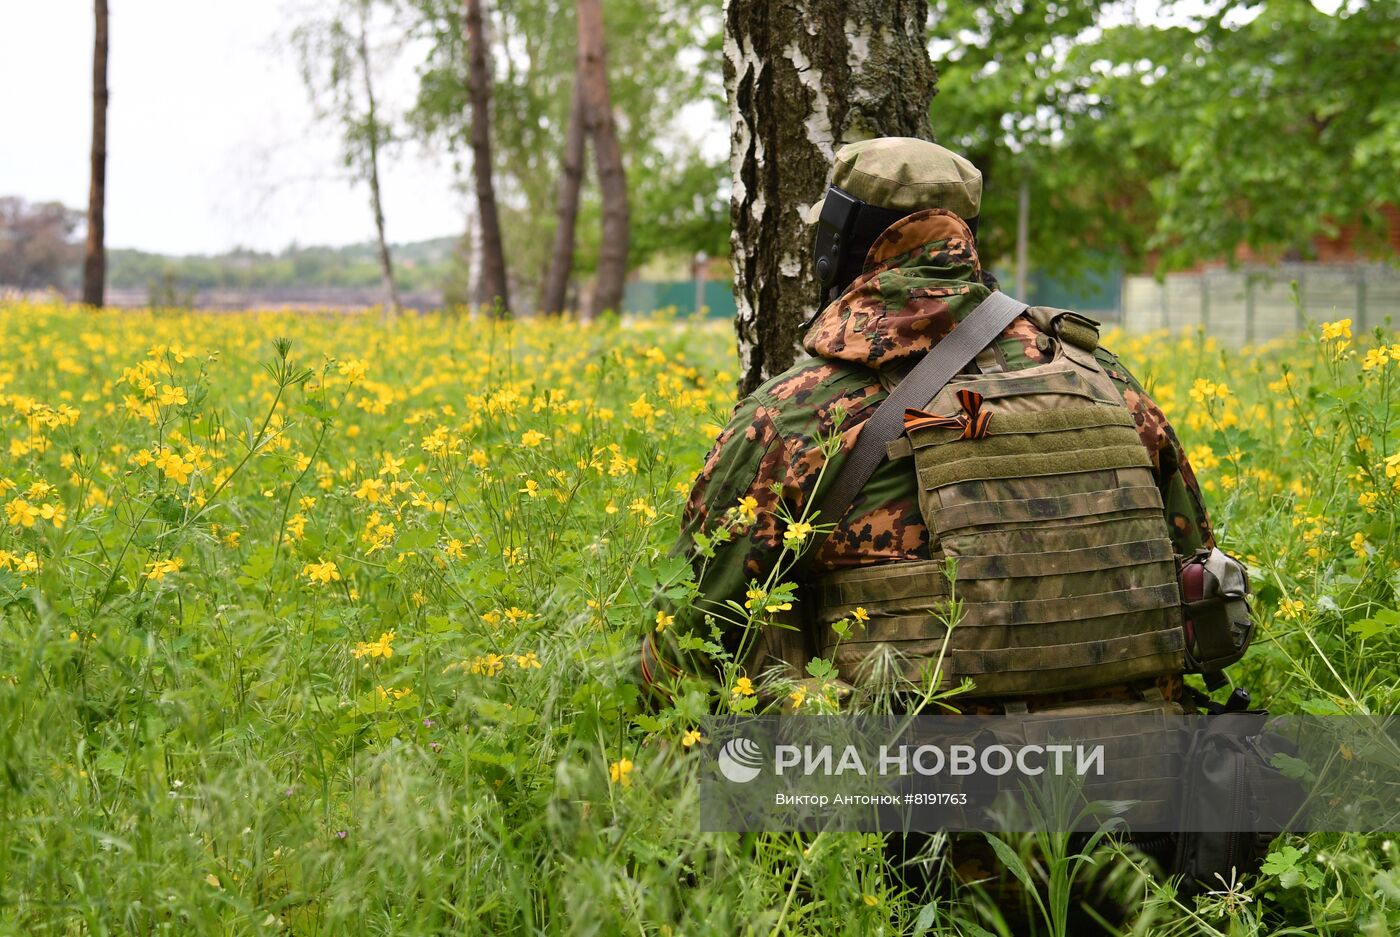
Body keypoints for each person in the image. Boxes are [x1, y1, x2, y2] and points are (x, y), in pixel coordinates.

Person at [641, 137, 1216, 716]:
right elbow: (1200, 578)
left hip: (904, 793)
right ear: (965, 240)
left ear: (836, 244)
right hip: (1136, 779)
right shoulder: (1105, 382)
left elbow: (689, 637)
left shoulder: (798, 415)